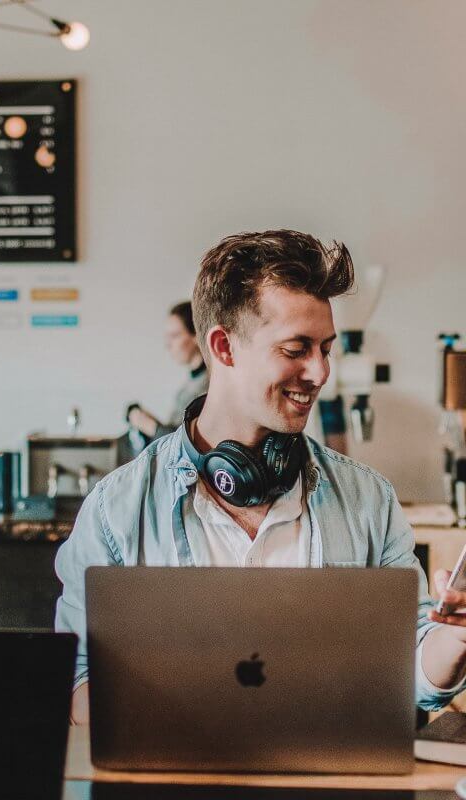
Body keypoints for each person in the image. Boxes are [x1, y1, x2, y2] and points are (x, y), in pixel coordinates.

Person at [55, 229, 466, 726]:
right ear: (224, 347)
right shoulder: (113, 511)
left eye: (326, 349)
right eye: (296, 349)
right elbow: (76, 680)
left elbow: (414, 677)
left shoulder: (369, 499)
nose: (319, 373)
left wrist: (454, 638)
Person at [128, 302, 210, 441]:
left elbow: (188, 444)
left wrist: (150, 426)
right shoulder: (192, 381)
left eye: (175, 335)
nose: (168, 344)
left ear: (196, 335)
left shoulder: (209, 384)